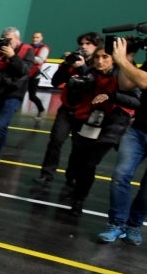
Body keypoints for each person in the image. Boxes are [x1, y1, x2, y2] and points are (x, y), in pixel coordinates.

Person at [63, 48, 139, 216]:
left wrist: (112, 96)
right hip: (93, 120)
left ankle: (79, 199)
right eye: (97, 57)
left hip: (116, 123)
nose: (100, 61)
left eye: (105, 57)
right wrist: (74, 87)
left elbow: (137, 100)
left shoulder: (123, 75)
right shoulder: (91, 73)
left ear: (114, 59)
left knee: (91, 161)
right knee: (82, 161)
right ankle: (77, 198)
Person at [32, 31, 103, 186]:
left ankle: (72, 176)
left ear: (97, 47)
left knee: (79, 148)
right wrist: (65, 65)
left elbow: (94, 85)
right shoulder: (74, 61)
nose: (83, 46)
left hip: (85, 112)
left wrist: (83, 67)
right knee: (55, 141)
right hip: (67, 109)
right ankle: (47, 174)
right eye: (82, 43)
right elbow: (56, 82)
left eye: (88, 43)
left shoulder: (99, 64)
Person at [97, 37, 147, 244]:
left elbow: (144, 81)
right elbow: (127, 84)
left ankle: (134, 225)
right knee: (120, 176)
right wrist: (129, 55)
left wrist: (121, 61)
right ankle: (117, 223)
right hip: (138, 130)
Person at [0, 27, 35, 169]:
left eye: (9, 40)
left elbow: (25, 70)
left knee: (0, 126)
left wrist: (12, 56)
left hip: (13, 94)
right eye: (4, 39)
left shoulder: (27, 50)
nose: (6, 43)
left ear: (17, 39)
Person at [26, 31, 51, 118]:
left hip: (35, 74)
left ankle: (41, 109)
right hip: (26, 72)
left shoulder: (44, 48)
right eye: (33, 37)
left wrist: (27, 56)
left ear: (41, 38)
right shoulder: (29, 46)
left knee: (32, 96)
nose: (35, 39)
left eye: (37, 37)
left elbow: (40, 60)